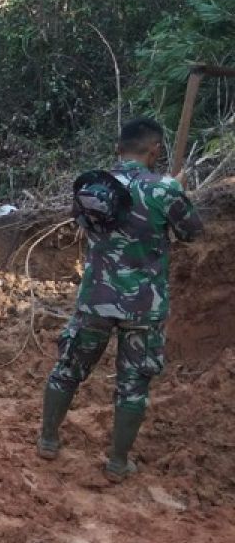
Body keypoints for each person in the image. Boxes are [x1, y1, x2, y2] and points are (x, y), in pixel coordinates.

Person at [37, 117, 203, 482]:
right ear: (156, 150)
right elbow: (191, 232)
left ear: (118, 148)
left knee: (68, 369)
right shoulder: (164, 190)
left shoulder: (93, 185)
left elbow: (82, 222)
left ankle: (48, 440)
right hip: (144, 305)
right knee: (134, 384)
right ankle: (117, 462)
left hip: (95, 298)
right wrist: (177, 189)